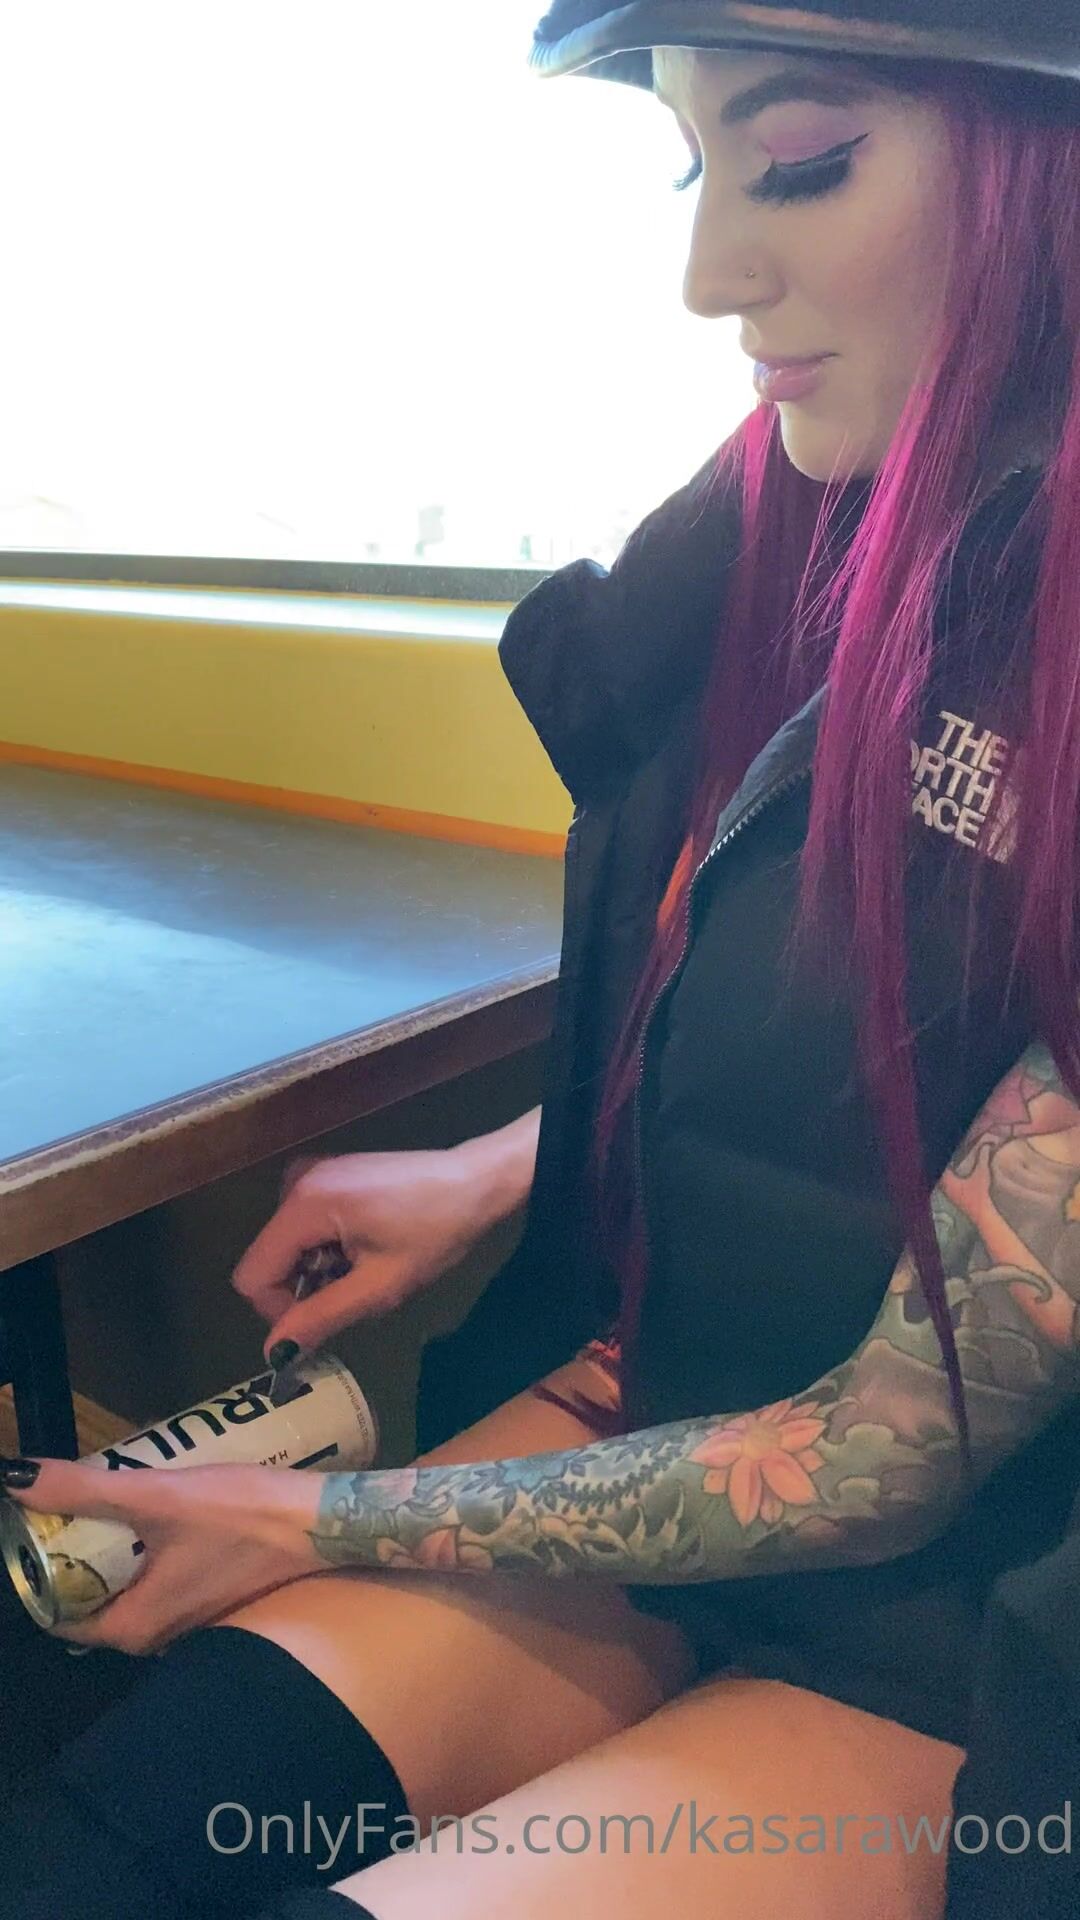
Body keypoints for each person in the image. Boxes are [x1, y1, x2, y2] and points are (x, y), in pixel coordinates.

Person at [3, 4, 1080, 1915]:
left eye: (803, 161)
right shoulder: (814, 522)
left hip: (951, 1617)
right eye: (692, 166)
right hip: (672, 1396)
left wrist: (323, 1514)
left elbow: (888, 1456)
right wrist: (514, 1160)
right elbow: (842, 1049)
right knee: (103, 1843)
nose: (708, 275)